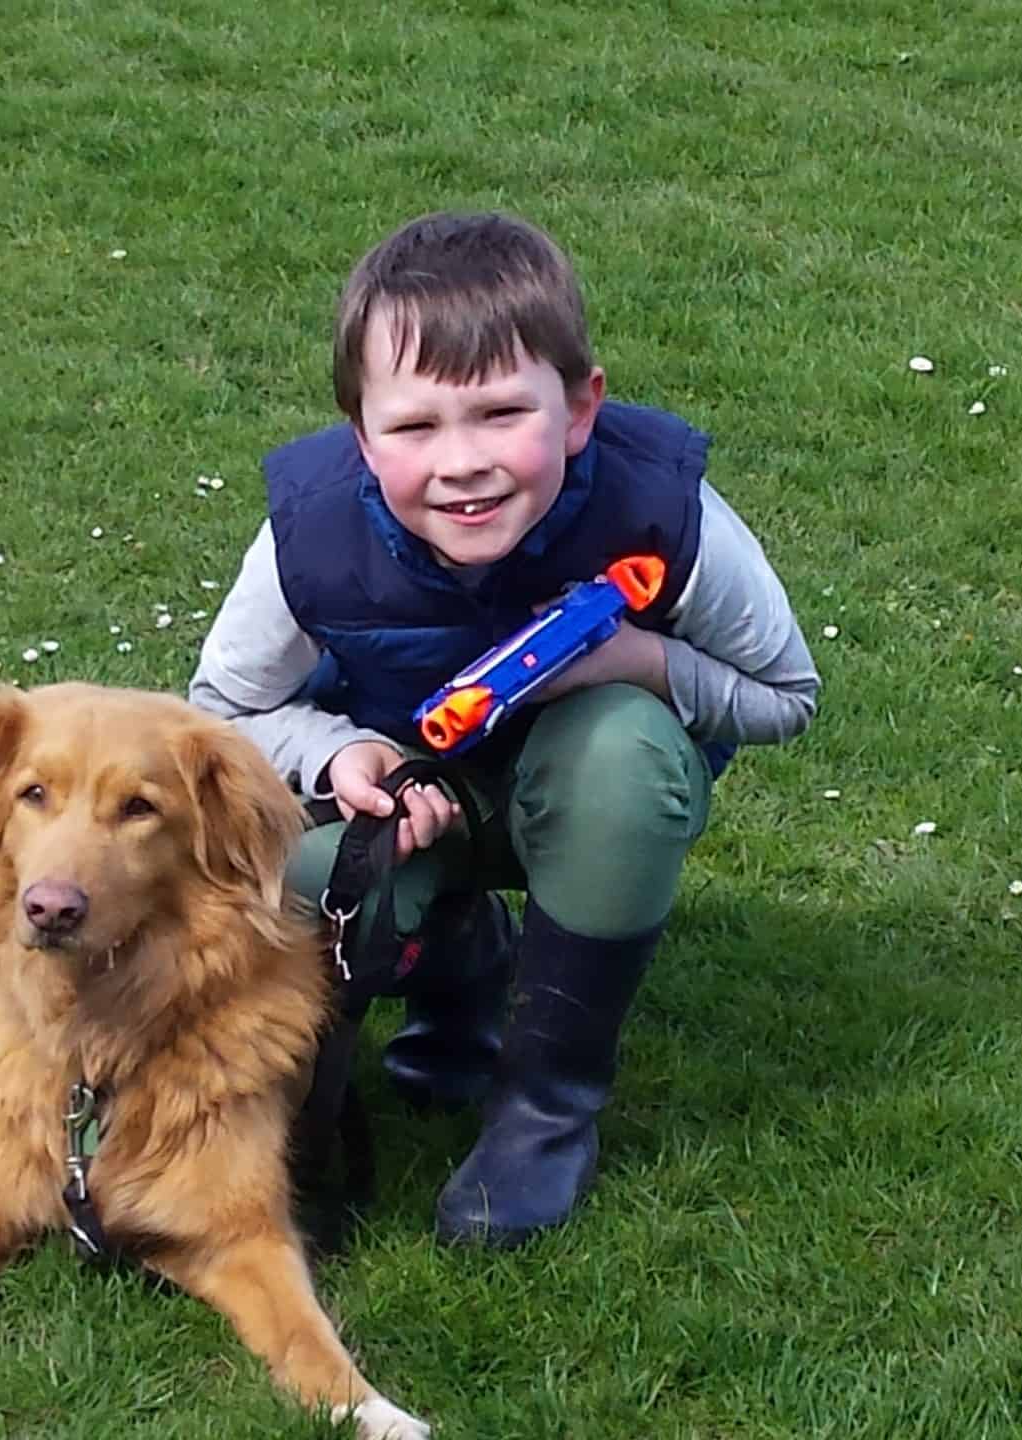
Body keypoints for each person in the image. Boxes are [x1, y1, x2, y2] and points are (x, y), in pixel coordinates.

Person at [189, 210, 820, 1247]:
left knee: (619, 754)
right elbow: (215, 713)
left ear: (580, 408)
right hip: (401, 801)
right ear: (359, 435)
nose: (462, 463)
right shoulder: (311, 536)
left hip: (578, 793)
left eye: (499, 414)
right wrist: (341, 753)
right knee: (291, 884)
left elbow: (787, 693)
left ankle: (544, 1108)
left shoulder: (661, 509)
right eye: (414, 427)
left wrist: (641, 663)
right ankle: (455, 973)